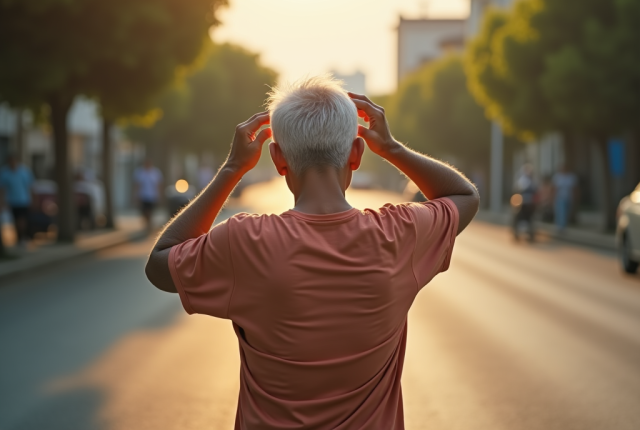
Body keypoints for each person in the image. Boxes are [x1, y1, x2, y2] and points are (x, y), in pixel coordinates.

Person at [145, 76, 480, 429]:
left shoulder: (245, 240)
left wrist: (232, 169)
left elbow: (160, 264)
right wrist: (393, 148)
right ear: (356, 155)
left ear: (278, 159)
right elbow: (464, 197)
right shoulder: (399, 233)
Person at [0, 154, 34, 246]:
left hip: (23, 200)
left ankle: (22, 237)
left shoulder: (24, 172)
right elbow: (2, 189)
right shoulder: (5, 173)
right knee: (15, 221)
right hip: (12, 201)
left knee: (22, 220)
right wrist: (2, 202)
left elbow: (30, 186)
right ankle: (19, 238)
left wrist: (33, 200)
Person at [133, 159, 163, 231]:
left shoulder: (155, 173)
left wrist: (159, 194)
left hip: (152, 196)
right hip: (143, 195)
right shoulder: (140, 172)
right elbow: (137, 185)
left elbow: (159, 184)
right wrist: (136, 195)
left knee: (150, 210)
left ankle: (149, 225)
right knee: (144, 210)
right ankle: (147, 223)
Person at [512, 163, 537, 241]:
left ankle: (531, 233)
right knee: (516, 216)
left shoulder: (533, 182)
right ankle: (516, 232)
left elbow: (536, 192)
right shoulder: (521, 180)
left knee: (531, 217)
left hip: (530, 204)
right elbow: (516, 191)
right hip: (521, 203)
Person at [552, 164, 577, 232]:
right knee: (561, 212)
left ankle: (563, 225)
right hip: (560, 197)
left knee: (566, 212)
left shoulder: (571, 177)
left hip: (568, 197)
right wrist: (553, 197)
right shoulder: (557, 177)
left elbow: (574, 188)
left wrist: (574, 197)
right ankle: (560, 227)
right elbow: (554, 188)